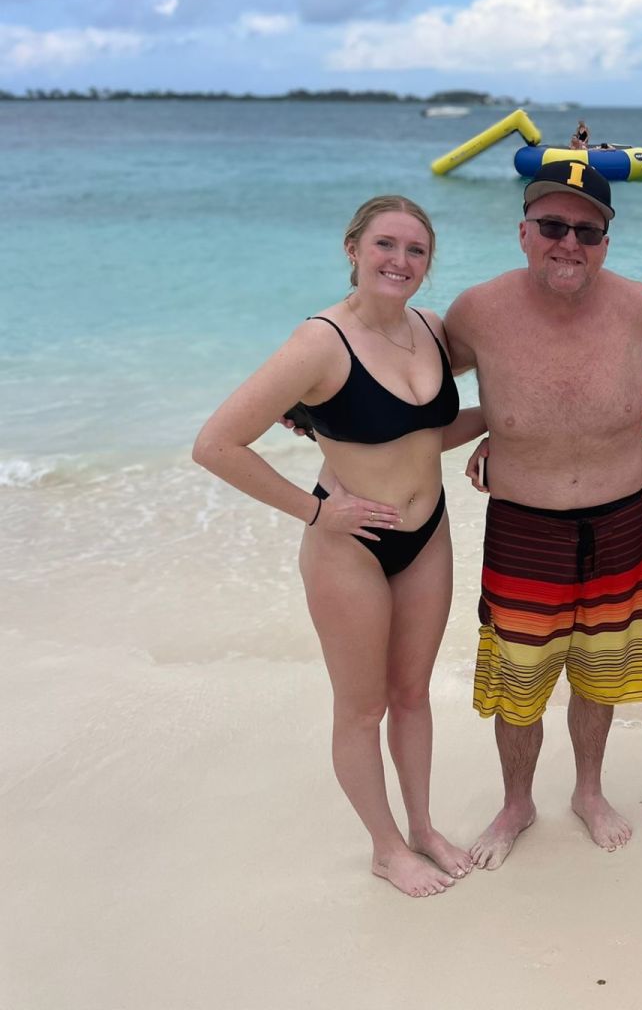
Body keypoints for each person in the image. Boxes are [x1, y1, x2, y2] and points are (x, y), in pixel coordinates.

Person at [193, 196, 486, 896]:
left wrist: (501, 426)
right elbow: (216, 445)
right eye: (385, 244)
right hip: (350, 545)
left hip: (427, 532)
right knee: (363, 708)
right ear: (353, 249)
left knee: (412, 695)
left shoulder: (431, 329)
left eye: (416, 250)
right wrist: (317, 512)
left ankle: (422, 828)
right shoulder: (320, 343)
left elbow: (421, 434)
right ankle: (386, 848)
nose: (400, 261)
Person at [444, 161, 642, 869]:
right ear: (523, 232)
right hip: (524, 527)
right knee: (520, 680)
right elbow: (409, 380)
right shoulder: (476, 312)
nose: (569, 243)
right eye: (552, 226)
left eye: (587, 232)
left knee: (601, 672)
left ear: (606, 242)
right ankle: (517, 802)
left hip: (620, 520)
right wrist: (330, 417)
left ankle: (588, 791)